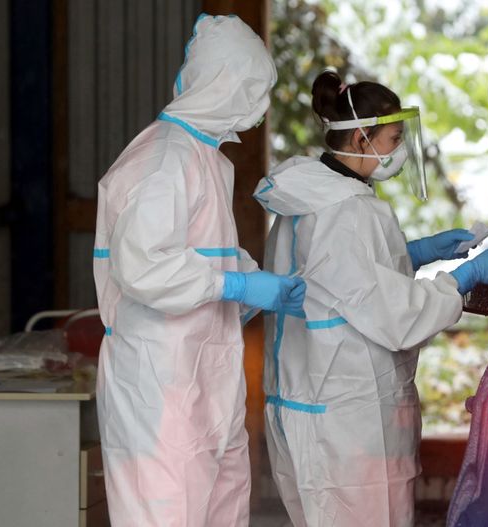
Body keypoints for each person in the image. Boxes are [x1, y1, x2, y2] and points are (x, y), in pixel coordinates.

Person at [254, 70, 488, 527]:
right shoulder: (348, 210)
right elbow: (395, 316)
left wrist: (416, 253)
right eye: (394, 139)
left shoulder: (312, 197)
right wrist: (463, 278)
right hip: (347, 416)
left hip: (310, 404)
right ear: (361, 138)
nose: (400, 151)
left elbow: (338, 279)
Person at [92, 14, 306, 526]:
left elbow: (211, 253)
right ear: (223, 83)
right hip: (159, 385)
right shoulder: (162, 158)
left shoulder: (206, 158)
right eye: (253, 89)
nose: (259, 106)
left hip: (207, 377)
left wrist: (255, 285)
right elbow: (144, 267)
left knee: (223, 509)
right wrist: (237, 284)